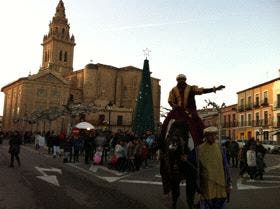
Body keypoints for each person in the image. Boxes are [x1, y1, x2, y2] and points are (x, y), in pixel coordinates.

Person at [161, 74, 225, 146]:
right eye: (180, 80)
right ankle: (161, 143)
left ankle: (204, 141)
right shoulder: (173, 90)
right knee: (166, 123)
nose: (181, 81)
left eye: (182, 80)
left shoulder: (191, 88)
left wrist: (214, 89)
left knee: (198, 123)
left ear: (185, 80)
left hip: (189, 112)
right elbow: (170, 100)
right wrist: (174, 106)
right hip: (178, 111)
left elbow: (202, 90)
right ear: (177, 80)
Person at [198, 126, 231, 209]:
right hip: (207, 185)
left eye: (214, 135)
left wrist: (228, 183)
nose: (213, 137)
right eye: (210, 135)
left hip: (220, 185)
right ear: (206, 136)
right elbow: (195, 165)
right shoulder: (199, 149)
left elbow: (226, 166)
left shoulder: (220, 148)